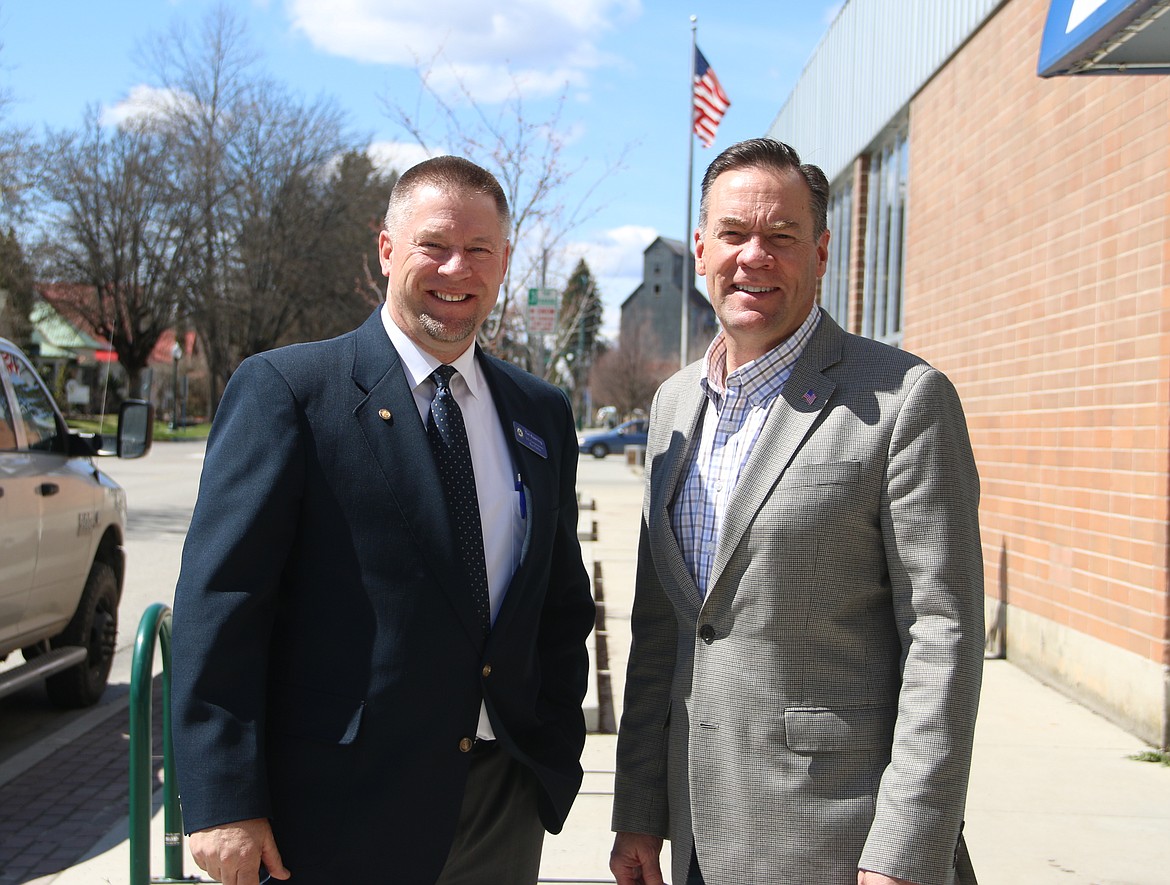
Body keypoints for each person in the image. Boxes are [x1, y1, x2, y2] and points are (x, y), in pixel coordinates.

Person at [171, 155, 596, 885]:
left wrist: (551, 751)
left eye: (479, 250)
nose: (455, 267)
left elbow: (558, 601)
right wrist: (221, 798)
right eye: (434, 244)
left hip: (501, 803)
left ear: (503, 263)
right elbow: (223, 604)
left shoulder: (541, 413)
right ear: (387, 249)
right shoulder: (290, 393)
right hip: (336, 809)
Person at [609, 138, 983, 885]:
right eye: (734, 235)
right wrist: (639, 809)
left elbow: (943, 634)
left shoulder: (904, 400)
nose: (755, 256)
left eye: (781, 237)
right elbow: (663, 630)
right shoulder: (674, 405)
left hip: (841, 839)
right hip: (697, 831)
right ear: (700, 248)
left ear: (819, 251)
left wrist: (906, 847)